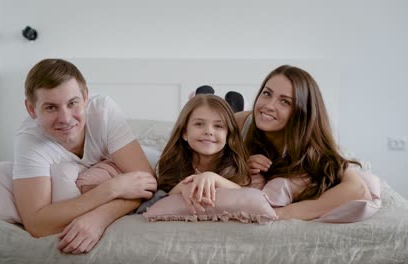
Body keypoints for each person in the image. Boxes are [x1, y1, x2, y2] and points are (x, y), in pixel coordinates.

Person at [12, 58, 157, 254]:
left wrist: (100, 218)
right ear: (31, 109)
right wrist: (111, 189)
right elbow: (37, 224)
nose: (65, 119)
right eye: (51, 107)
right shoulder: (29, 141)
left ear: (86, 97)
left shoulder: (103, 111)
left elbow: (146, 183)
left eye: (73, 103)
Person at [235, 65, 371, 220]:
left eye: (285, 101)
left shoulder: (312, 148)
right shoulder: (240, 123)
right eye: (266, 93)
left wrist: (282, 213)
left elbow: (358, 190)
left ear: (302, 112)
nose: (269, 106)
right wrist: (241, 166)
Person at [157, 94, 250, 213]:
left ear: (228, 135)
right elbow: (157, 202)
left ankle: (236, 109)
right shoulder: (171, 164)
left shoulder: (238, 165)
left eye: (218, 126)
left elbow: (249, 196)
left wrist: (214, 178)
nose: (208, 131)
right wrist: (180, 187)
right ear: (185, 132)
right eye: (199, 124)